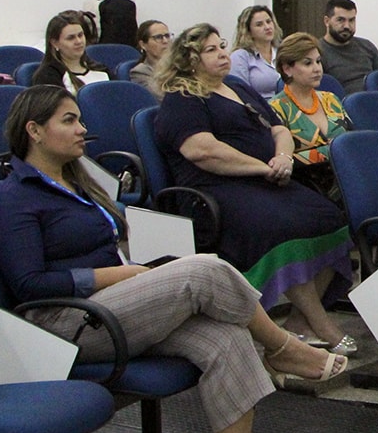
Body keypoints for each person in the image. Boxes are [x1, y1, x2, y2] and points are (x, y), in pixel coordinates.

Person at [0, 85, 347, 433]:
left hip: (114, 306)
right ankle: (282, 345)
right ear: (34, 131)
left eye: (80, 118)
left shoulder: (78, 180)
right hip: (65, 322)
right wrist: (128, 275)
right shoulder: (15, 198)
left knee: (226, 338)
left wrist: (136, 272)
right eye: (69, 121)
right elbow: (28, 286)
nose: (83, 129)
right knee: (205, 270)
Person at [153, 23, 358, 355]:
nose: (223, 53)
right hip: (217, 190)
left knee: (330, 217)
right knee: (280, 228)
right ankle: (321, 324)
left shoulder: (237, 87)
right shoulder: (183, 97)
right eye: (211, 50)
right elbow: (202, 151)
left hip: (266, 179)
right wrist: (263, 167)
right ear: (189, 60)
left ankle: (297, 320)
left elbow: (279, 128)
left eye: (222, 46)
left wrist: (282, 157)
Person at [268, 32, 349, 201]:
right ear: (287, 68)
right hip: (310, 187)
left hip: (350, 175)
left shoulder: (330, 99)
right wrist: (331, 151)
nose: (317, 68)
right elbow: (282, 160)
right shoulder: (276, 108)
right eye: (307, 63)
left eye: (318, 61)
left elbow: (353, 140)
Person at [30, 10, 109, 93]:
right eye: (70, 38)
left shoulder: (101, 69)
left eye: (80, 35)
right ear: (55, 43)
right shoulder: (47, 76)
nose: (78, 41)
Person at [317, 0, 378, 90]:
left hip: (374, 100)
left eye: (351, 20)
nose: (347, 26)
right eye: (340, 20)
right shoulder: (317, 51)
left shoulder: (367, 46)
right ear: (327, 21)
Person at [229, 5, 284, 97]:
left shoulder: (282, 52)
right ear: (248, 31)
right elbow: (240, 93)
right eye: (259, 24)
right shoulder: (240, 56)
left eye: (268, 22)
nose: (267, 27)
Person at [128, 20, 173, 100]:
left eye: (167, 36)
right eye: (158, 37)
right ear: (143, 45)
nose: (165, 41)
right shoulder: (140, 72)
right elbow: (162, 97)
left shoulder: (180, 66)